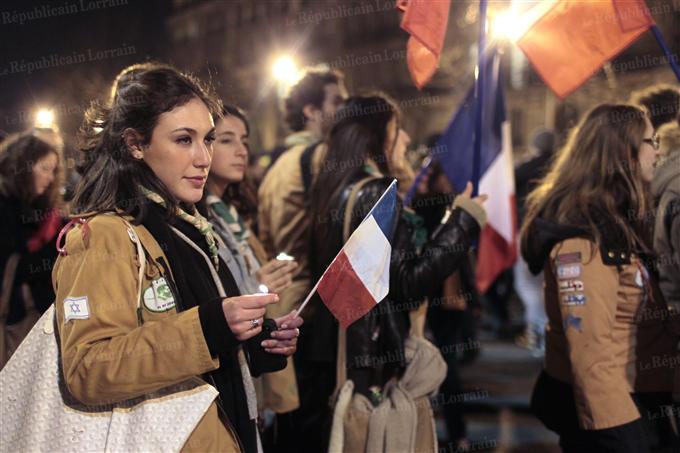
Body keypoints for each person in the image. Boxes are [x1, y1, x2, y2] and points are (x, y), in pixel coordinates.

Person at [53, 63, 302, 453]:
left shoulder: (190, 225)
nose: (204, 157)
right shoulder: (105, 234)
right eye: (184, 140)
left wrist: (259, 339)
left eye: (208, 139)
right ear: (135, 144)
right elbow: (88, 369)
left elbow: (200, 341)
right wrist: (210, 326)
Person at [296, 95, 487, 452]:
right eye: (397, 130)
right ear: (377, 136)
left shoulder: (336, 188)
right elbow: (407, 282)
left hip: (335, 358)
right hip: (369, 365)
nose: (406, 140)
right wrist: (463, 220)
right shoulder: (376, 193)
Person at [522, 104, 677, 452]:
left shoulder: (618, 220)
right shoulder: (583, 237)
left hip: (639, 398)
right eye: (651, 141)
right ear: (625, 152)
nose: (658, 150)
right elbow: (590, 352)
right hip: (616, 414)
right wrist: (624, 436)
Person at [0, 131, 63, 369]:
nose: (50, 177)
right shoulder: (6, 208)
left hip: (32, 320)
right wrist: (55, 248)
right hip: (14, 319)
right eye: (45, 168)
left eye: (54, 170)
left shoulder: (39, 209)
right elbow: (13, 266)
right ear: (23, 166)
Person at [514, 129, 556, 356]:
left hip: (528, 232)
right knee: (547, 288)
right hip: (553, 235)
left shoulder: (525, 168)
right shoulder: (562, 167)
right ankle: (546, 338)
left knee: (528, 288)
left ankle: (536, 337)